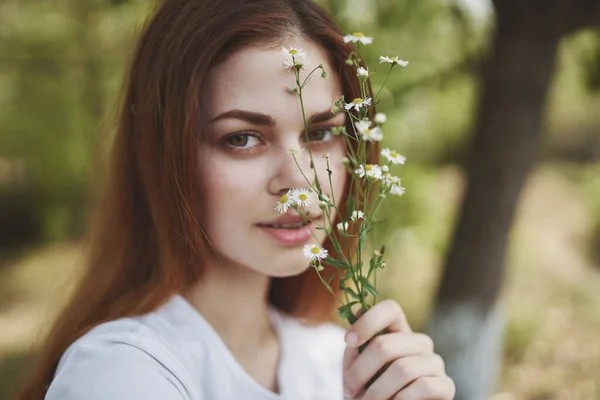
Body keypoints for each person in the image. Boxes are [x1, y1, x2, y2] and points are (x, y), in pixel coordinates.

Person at [17, 0, 455, 399]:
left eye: (320, 133)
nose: (299, 182)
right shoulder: (123, 372)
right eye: (243, 139)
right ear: (166, 154)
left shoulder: (338, 363)